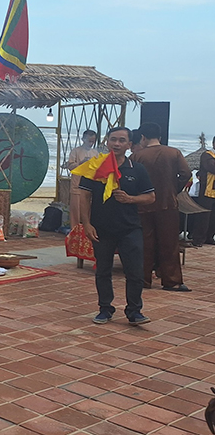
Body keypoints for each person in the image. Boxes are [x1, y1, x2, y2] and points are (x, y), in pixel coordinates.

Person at [78, 127, 155, 326]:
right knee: (103, 270)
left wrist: (130, 199)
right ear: (107, 141)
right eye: (113, 139)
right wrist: (86, 223)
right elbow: (85, 196)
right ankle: (105, 309)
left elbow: (150, 197)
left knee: (135, 271)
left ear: (130, 145)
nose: (117, 144)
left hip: (130, 228)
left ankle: (134, 311)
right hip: (101, 228)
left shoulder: (137, 169)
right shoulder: (95, 166)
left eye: (122, 140)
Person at [131, 122, 192, 291]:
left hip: (143, 204)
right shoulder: (174, 153)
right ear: (160, 136)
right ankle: (172, 281)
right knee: (170, 243)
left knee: (144, 243)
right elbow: (186, 174)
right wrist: (173, 189)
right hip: (168, 204)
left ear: (142, 137)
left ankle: (142, 280)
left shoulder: (137, 156)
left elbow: (130, 179)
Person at [64, 130, 98, 229]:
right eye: (89, 141)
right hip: (77, 183)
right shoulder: (76, 151)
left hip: (91, 183)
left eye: (93, 141)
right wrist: (81, 163)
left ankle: (87, 229)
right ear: (83, 139)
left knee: (88, 209)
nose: (91, 144)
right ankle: (75, 230)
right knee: (76, 209)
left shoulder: (94, 152)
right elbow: (70, 166)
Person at [191, 136, 215, 246]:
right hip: (207, 190)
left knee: (213, 216)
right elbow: (212, 167)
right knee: (204, 216)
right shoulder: (207, 155)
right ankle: (198, 238)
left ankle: (209, 237)